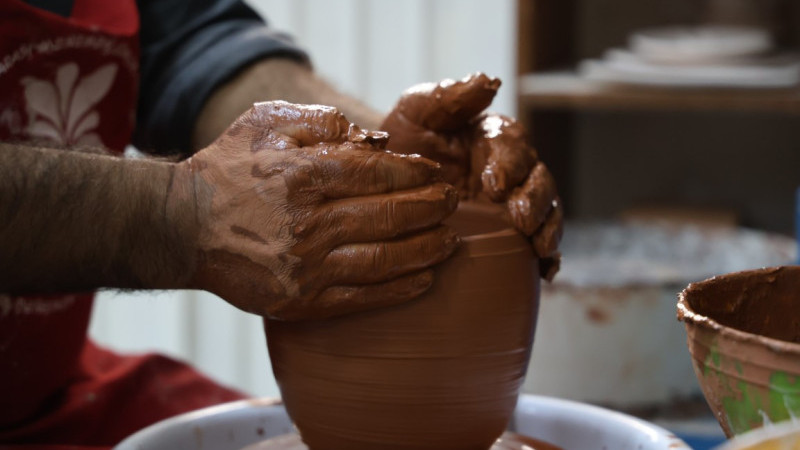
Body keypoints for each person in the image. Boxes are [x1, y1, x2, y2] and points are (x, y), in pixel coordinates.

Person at [0, 0, 563, 447]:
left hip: (51, 397)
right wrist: (179, 213)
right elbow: (180, 208)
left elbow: (194, 51)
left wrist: (386, 159)